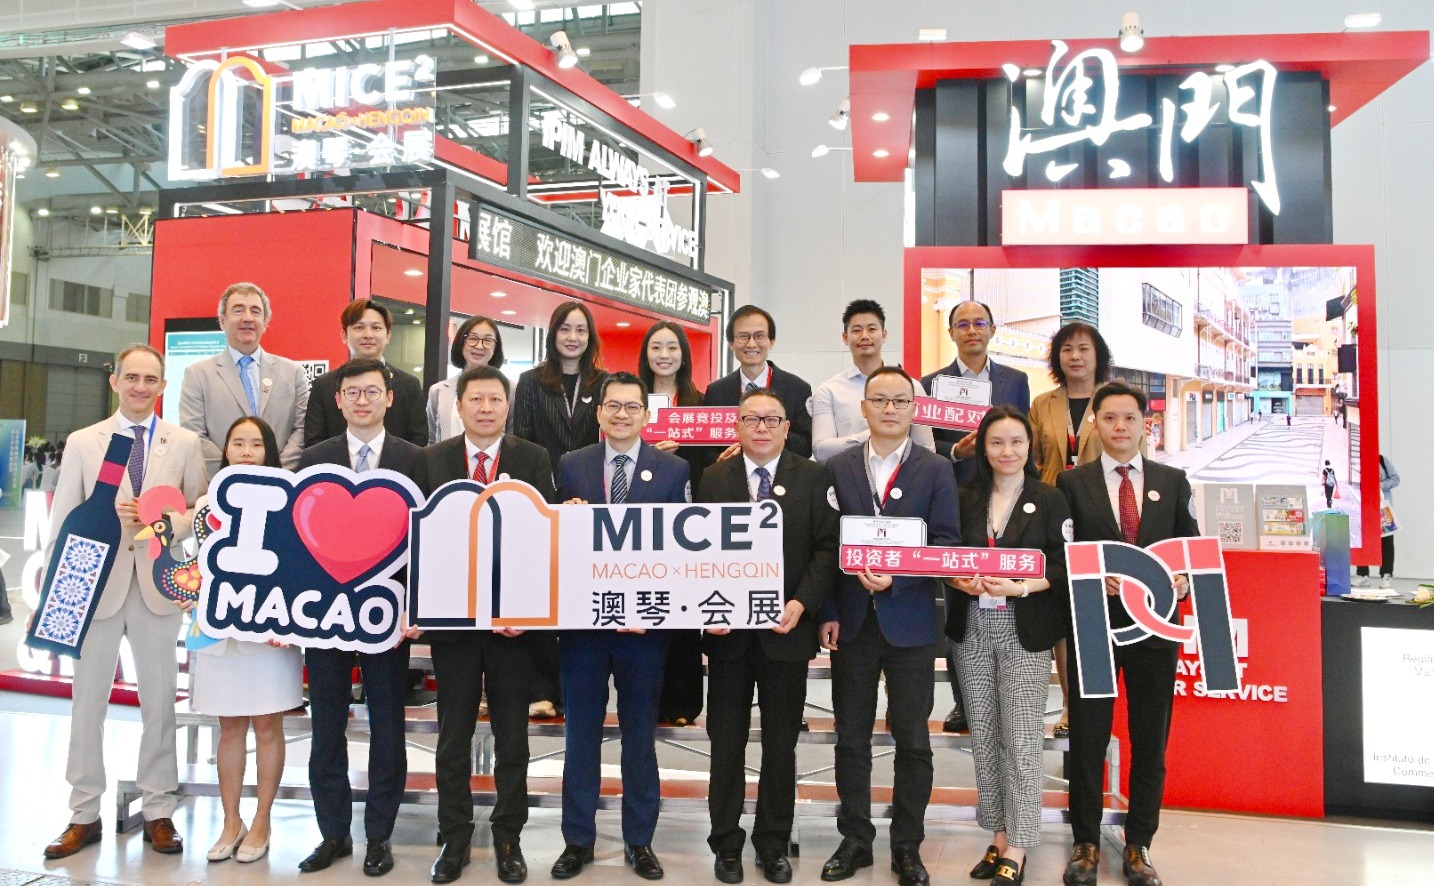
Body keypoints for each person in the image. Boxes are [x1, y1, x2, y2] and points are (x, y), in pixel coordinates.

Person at [41, 345, 207, 860]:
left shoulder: (183, 442)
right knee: (86, 703)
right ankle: (83, 813)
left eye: (150, 379)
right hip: (96, 585)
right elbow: (64, 517)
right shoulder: (84, 441)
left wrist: (166, 522)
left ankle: (158, 809)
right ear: (114, 381)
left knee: (159, 702)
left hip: (157, 586)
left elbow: (201, 509)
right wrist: (59, 590)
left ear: (162, 386)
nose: (140, 386)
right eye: (131, 377)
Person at [818, 367, 959, 886]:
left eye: (900, 400)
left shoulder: (935, 469)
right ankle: (855, 839)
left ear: (914, 408)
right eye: (880, 400)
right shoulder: (838, 468)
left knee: (913, 740)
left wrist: (898, 576)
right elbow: (824, 546)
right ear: (864, 407)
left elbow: (947, 544)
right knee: (851, 738)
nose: (890, 409)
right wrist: (828, 611)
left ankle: (907, 846)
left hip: (911, 622)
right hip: (852, 623)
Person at [1055, 381, 1198, 886]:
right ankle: (1086, 843)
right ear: (1095, 423)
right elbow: (1061, 555)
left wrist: (1181, 581)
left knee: (1150, 737)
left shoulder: (1173, 481)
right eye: (1110, 417)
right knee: (1089, 736)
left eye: (1130, 418)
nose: (1120, 427)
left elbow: (1190, 552)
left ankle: (1139, 844)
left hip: (1156, 629)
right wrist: (1093, 578)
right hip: (1095, 625)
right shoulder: (1072, 483)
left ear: (1144, 424)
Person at [418, 364, 554, 884]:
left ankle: (508, 836)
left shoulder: (532, 458)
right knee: (452, 735)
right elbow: (419, 541)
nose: (485, 408)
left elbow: (545, 540)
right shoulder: (432, 460)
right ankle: (453, 837)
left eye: (495, 399)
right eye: (475, 399)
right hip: (453, 625)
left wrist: (527, 610)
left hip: (512, 628)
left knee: (513, 737)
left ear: (507, 406)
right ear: (458, 406)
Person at [551, 372, 689, 882]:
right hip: (584, 628)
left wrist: (656, 611)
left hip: (644, 630)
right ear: (599, 412)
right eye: (614, 405)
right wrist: (564, 515)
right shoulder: (572, 465)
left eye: (632, 407)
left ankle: (640, 840)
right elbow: (557, 543)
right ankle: (577, 840)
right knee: (580, 737)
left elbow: (682, 548)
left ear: (646, 416)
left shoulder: (673, 469)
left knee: (639, 738)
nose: (622, 414)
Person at [698, 387, 839, 885]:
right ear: (737, 426)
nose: (761, 427)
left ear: (786, 427)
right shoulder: (713, 478)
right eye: (751, 419)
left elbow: (827, 548)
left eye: (771, 419)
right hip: (728, 635)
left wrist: (802, 604)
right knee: (726, 744)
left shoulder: (813, 477)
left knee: (780, 747)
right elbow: (696, 553)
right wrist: (705, 606)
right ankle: (725, 843)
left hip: (787, 632)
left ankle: (773, 842)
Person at [295, 357, 426, 878]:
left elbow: (425, 541)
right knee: (326, 724)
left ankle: (379, 834)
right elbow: (296, 539)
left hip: (389, 616)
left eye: (372, 391)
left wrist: (416, 605)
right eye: (353, 392)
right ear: (338, 400)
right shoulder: (314, 459)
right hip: (324, 615)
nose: (363, 400)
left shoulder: (415, 459)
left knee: (387, 726)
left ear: (389, 398)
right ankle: (333, 833)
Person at [945, 407, 1070, 886]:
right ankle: (997, 834)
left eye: (1016, 441)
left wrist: (1019, 587)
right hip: (972, 625)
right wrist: (958, 580)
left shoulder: (1049, 498)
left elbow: (1062, 565)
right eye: (996, 442)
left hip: (1025, 627)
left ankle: (1019, 844)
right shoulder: (965, 497)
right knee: (984, 735)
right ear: (983, 447)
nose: (1007, 451)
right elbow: (945, 556)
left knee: (1019, 737)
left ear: (1029, 446)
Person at [177, 416, 303, 865]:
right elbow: (195, 562)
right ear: (225, 450)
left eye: (256, 444)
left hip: (270, 634)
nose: (246, 452)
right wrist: (187, 590)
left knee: (268, 727)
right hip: (216, 635)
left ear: (269, 452)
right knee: (228, 728)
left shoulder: (288, 502)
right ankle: (231, 822)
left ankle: (262, 820)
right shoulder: (208, 503)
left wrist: (289, 622)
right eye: (237, 443)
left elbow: (296, 568)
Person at [920, 300, 1033, 735]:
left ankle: (1010, 696)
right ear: (951, 332)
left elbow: (1023, 438)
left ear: (992, 329)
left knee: (1007, 594)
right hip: (957, 501)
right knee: (960, 600)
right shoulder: (931, 384)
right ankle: (964, 702)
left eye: (979, 323)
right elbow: (925, 447)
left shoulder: (1015, 381)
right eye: (962, 324)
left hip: (1007, 498)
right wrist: (955, 451)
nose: (971, 330)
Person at [1029, 321, 1133, 739]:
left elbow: (1133, 457)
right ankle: (1072, 708)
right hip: (1053, 514)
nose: (1075, 356)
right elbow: (1033, 461)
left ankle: (1097, 710)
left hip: (1100, 515)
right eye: (1067, 348)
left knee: (1094, 612)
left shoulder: (1115, 401)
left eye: (1083, 348)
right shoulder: (1043, 403)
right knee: (1061, 614)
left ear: (1098, 354)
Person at [511, 302, 606, 719]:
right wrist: (546, 497)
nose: (573, 337)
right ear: (553, 334)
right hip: (543, 500)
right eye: (565, 329)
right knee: (544, 594)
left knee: (582, 597)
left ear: (590, 337)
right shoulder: (531, 382)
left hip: (590, 499)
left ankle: (576, 690)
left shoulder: (603, 382)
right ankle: (542, 689)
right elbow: (522, 439)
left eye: (581, 330)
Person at [638, 320, 709, 725]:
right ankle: (645, 698)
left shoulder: (700, 403)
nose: (664, 355)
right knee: (647, 607)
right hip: (641, 523)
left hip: (687, 519)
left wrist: (682, 452)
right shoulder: (632, 399)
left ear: (683, 355)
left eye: (672, 348)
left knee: (683, 608)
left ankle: (682, 701)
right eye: (656, 347)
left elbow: (712, 462)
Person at [179, 281, 310, 475]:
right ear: (222, 321)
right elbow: (194, 434)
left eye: (255, 311)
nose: (247, 318)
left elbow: (302, 429)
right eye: (238, 310)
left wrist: (275, 471)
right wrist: (232, 472)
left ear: (265, 323)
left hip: (280, 483)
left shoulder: (293, 373)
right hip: (221, 483)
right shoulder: (198, 375)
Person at [811, 299, 936, 464]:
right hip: (849, 475)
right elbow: (820, 450)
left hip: (902, 476)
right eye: (857, 330)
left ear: (884, 335)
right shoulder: (828, 391)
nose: (865, 336)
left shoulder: (913, 387)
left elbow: (926, 448)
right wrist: (873, 434)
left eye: (872, 329)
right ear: (845, 337)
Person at [305, 299, 427, 448]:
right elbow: (314, 442)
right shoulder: (323, 385)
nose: (368, 334)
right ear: (344, 335)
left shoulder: (409, 385)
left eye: (376, 328)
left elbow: (418, 441)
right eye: (359, 327)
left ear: (388, 335)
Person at [703, 305, 813, 459]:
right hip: (732, 471)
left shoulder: (798, 388)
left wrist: (770, 436)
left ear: (771, 341)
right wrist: (720, 461)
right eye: (743, 336)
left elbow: (806, 445)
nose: (751, 344)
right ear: (731, 343)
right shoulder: (716, 391)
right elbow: (707, 445)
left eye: (759, 336)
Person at [428, 315, 507, 443]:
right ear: (461, 343)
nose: (479, 346)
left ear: (495, 347)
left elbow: (514, 440)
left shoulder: (510, 390)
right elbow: (432, 440)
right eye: (472, 338)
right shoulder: (438, 391)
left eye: (487, 340)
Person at [1354, 454, 1400, 589]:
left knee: (1386, 542)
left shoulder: (1381, 460)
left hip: (1383, 507)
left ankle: (1387, 575)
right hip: (1363, 507)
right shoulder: (1355, 461)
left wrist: (1379, 485)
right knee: (1362, 540)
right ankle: (1362, 574)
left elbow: (1396, 479)